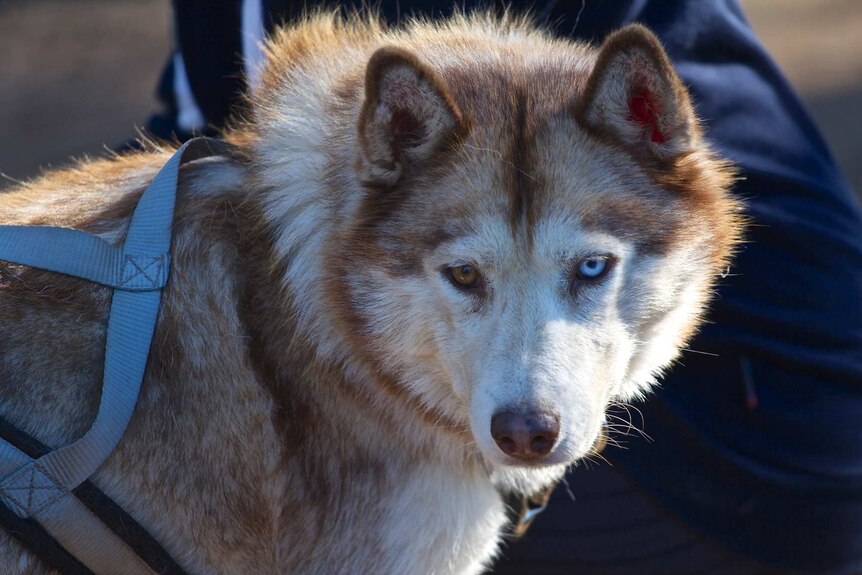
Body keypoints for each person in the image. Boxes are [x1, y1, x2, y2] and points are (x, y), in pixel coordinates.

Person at [147, 1, 862, 573]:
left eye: (590, 269)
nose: (526, 402)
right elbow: (187, 150)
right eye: (464, 276)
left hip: (761, 428)